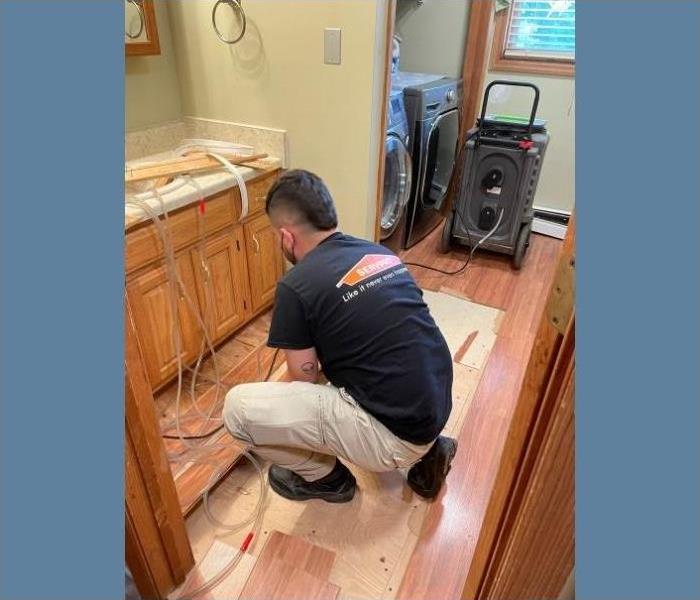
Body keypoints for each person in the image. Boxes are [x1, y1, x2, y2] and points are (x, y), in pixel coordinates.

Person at [223, 169, 456, 503]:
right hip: (436, 403)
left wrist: (275, 410)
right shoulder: (378, 253)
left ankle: (326, 479)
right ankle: (429, 452)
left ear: (286, 237)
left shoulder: (295, 285)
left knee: (238, 409)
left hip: (395, 438)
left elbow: (305, 376)